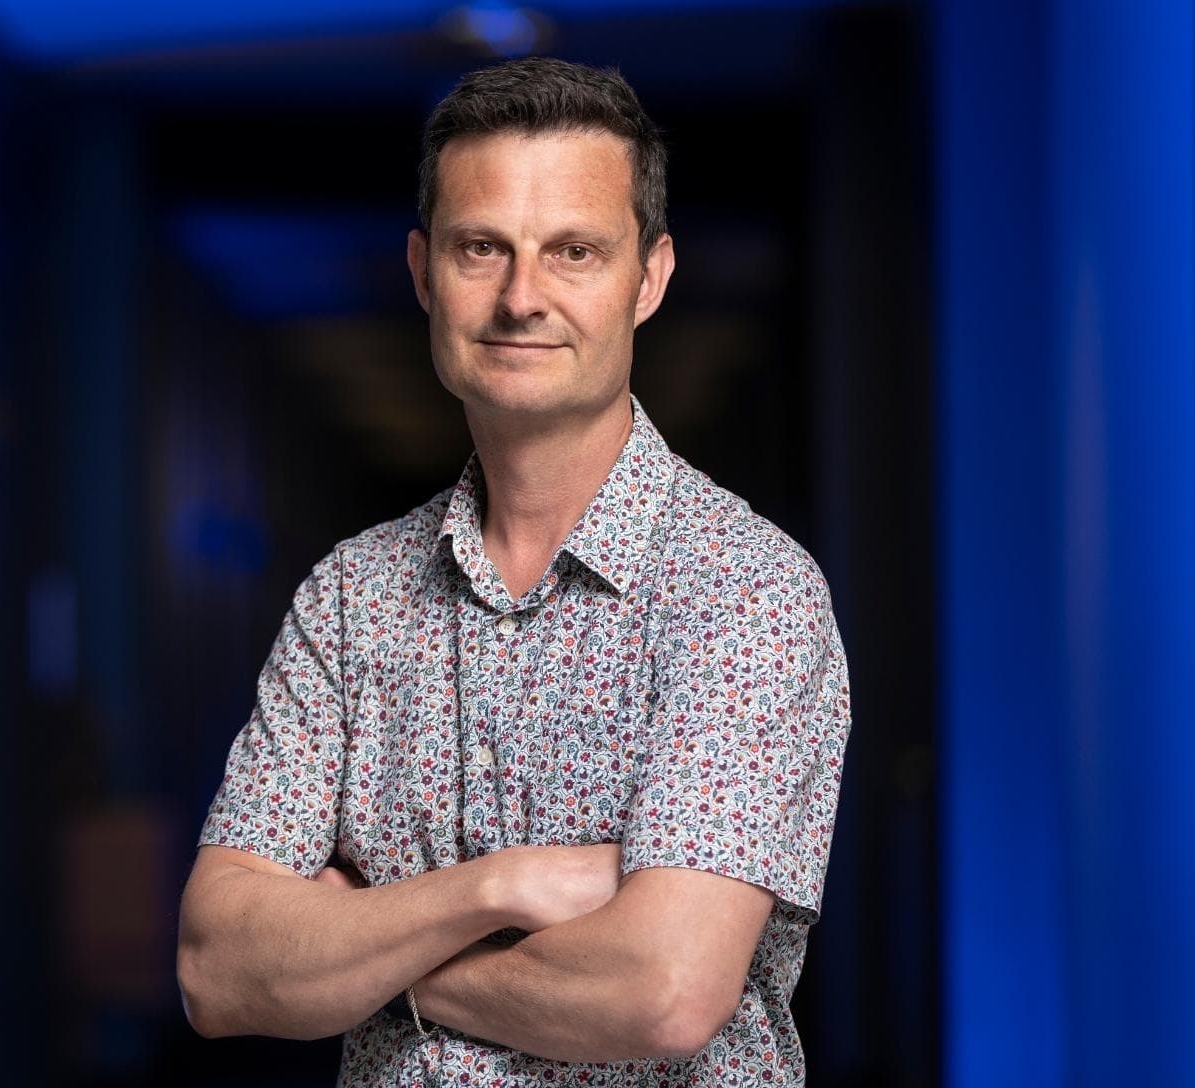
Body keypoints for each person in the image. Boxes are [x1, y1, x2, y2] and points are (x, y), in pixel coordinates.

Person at [175, 56, 851, 1087]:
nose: (520, 295)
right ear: (421, 272)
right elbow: (217, 967)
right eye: (480, 247)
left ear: (651, 277)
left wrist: (372, 945)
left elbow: (663, 986)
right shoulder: (349, 601)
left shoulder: (745, 591)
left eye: (573, 250)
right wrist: (500, 888)